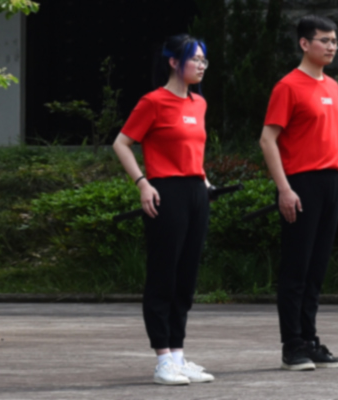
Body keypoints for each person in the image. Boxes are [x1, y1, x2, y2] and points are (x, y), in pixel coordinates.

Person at [110, 34, 216, 386]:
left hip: (196, 192)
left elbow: (192, 150)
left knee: (186, 278)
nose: (201, 65)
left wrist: (204, 180)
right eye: (194, 59)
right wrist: (143, 183)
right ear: (173, 62)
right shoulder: (153, 101)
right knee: (163, 276)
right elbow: (122, 143)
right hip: (165, 192)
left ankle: (179, 356)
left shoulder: (199, 103)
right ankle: (163, 360)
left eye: (203, 60)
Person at [258, 14, 338, 371]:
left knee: (316, 269)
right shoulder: (288, 86)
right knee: (296, 268)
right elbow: (268, 140)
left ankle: (310, 341)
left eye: (334, 41)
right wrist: (284, 189)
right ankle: (292, 345)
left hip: (331, 182)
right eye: (324, 40)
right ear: (304, 43)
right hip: (300, 185)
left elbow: (327, 136)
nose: (331, 47)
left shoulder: (333, 86)